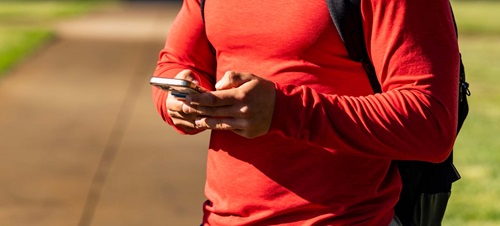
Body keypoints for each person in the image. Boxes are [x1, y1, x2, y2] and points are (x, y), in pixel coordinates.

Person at [151, 0, 459, 225]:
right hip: (219, 218)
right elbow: (176, 63)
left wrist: (286, 111)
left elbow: (430, 120)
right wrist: (178, 100)